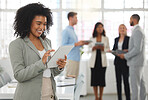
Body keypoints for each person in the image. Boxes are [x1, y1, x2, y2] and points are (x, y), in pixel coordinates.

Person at [9, 3, 67, 100]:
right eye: (38, 23)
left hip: (50, 94)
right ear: (28, 22)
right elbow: (19, 75)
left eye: (44, 24)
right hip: (29, 96)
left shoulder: (47, 42)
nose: (42, 28)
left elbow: (50, 72)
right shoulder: (17, 44)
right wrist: (42, 63)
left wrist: (59, 67)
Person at [118, 14, 147, 100]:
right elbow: (136, 47)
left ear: (133, 20)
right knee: (141, 85)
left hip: (135, 63)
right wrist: (128, 50)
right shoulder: (137, 30)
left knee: (135, 87)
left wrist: (125, 55)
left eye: (130, 19)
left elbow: (137, 49)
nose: (129, 21)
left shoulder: (137, 31)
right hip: (138, 62)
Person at [61, 12, 88, 78]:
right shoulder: (66, 31)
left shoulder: (72, 31)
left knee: (74, 82)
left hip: (76, 59)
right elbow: (64, 46)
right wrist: (76, 44)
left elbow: (74, 45)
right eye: (76, 17)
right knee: (70, 82)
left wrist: (81, 43)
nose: (77, 20)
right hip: (71, 59)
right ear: (70, 18)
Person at [88, 22, 110, 100]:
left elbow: (108, 49)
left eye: (101, 27)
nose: (100, 28)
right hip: (94, 61)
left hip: (102, 61)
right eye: (98, 27)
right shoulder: (92, 38)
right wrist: (93, 48)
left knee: (101, 80)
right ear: (96, 29)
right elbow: (88, 49)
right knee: (94, 80)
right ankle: (96, 97)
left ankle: (100, 97)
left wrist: (103, 49)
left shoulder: (106, 38)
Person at [112, 24, 130, 100]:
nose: (122, 29)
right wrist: (114, 52)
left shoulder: (129, 39)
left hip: (125, 62)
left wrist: (123, 52)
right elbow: (114, 49)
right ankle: (119, 98)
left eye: (123, 28)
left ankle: (128, 98)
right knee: (118, 82)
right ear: (118, 30)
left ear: (126, 29)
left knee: (126, 81)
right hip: (117, 62)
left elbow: (130, 50)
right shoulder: (116, 39)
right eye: (120, 28)